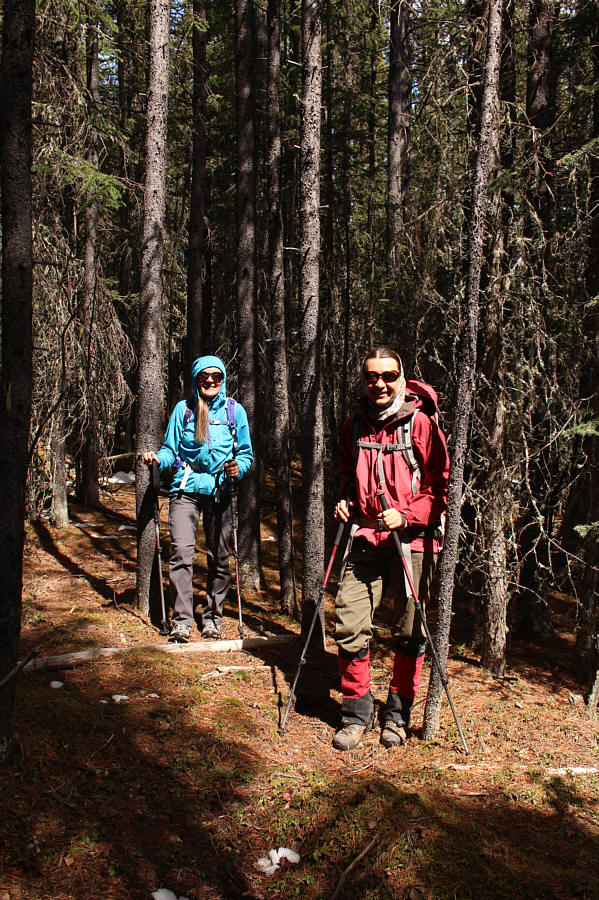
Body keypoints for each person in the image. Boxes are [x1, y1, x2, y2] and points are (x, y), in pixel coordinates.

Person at [332, 347, 449, 750]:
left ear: (401, 378)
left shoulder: (420, 425)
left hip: (413, 540)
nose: (379, 383)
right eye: (371, 376)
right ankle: (356, 713)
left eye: (388, 375)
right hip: (367, 538)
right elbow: (348, 475)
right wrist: (345, 500)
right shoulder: (354, 426)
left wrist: (409, 514)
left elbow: (440, 488)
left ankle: (397, 715)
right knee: (349, 623)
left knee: (409, 629)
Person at [142, 355, 253, 642]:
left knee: (220, 558)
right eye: (205, 376)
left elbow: (246, 455)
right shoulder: (184, 410)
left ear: (223, 379)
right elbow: (170, 449)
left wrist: (237, 468)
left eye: (216, 376)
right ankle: (181, 620)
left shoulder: (234, 412)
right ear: (196, 379)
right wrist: (157, 459)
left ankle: (213, 619)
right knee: (181, 554)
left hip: (220, 490)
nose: (211, 381)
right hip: (185, 490)